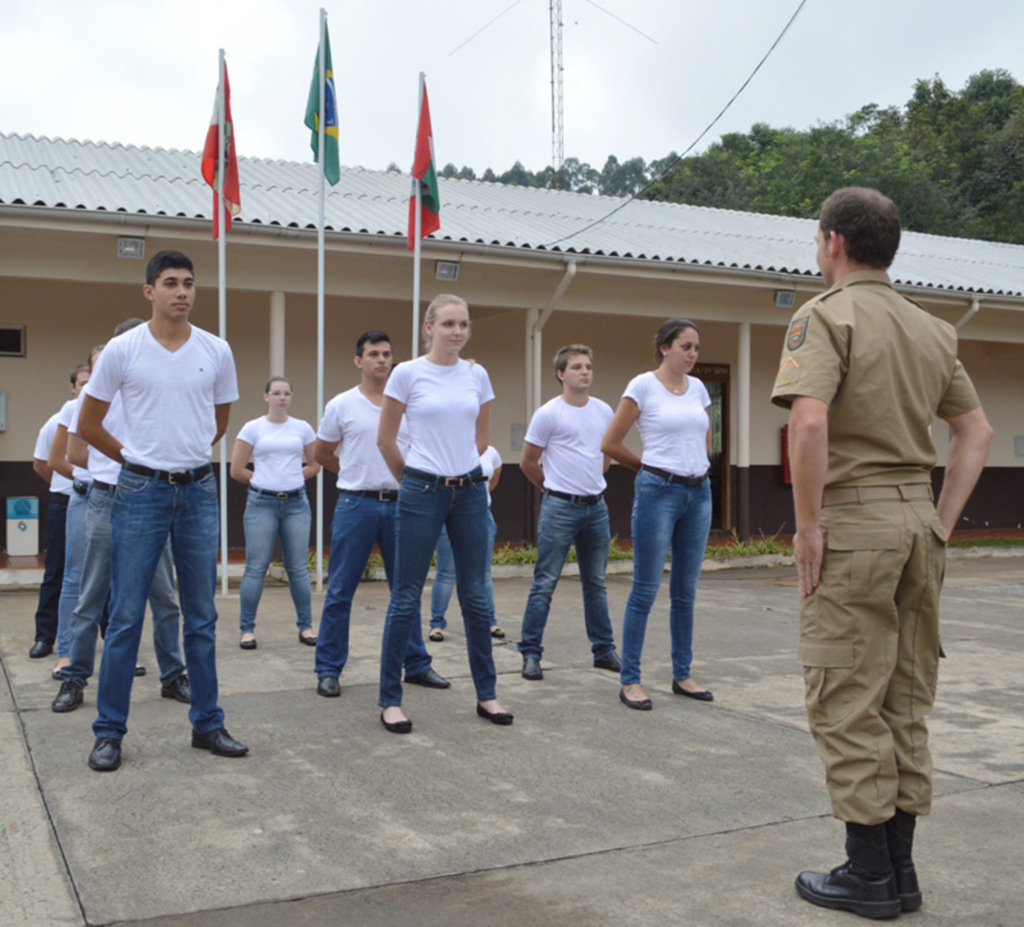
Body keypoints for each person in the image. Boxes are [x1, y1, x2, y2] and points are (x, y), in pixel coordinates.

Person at [771, 188, 992, 919]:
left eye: (817, 238)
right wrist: (939, 521)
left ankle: (866, 874)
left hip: (856, 521)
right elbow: (976, 432)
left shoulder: (825, 316)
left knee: (844, 693)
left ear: (833, 242)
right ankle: (900, 871)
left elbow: (808, 425)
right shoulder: (932, 330)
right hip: (914, 520)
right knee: (904, 694)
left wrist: (807, 526)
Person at [77, 249, 247, 772]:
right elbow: (88, 424)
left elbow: (217, 423)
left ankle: (208, 723)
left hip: (197, 491)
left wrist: (184, 456)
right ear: (149, 291)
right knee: (127, 615)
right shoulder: (124, 351)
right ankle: (108, 732)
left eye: (189, 283)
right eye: (170, 283)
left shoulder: (216, 350)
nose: (182, 292)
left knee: (201, 615)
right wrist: (135, 459)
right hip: (139, 493)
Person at [377, 295, 511, 733]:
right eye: (449, 323)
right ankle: (390, 700)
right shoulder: (407, 373)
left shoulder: (477, 374)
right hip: (421, 489)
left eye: (464, 324)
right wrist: (416, 481)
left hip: (469, 490)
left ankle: (487, 695)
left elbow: (481, 439)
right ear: (428, 327)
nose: (457, 331)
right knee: (406, 595)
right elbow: (386, 439)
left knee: (474, 596)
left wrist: (460, 474)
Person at [51, 320, 191, 714]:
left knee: (164, 594)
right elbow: (76, 453)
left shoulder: (156, 391)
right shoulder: (91, 397)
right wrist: (126, 461)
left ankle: (172, 674)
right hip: (107, 497)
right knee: (91, 593)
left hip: (152, 499)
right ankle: (75, 679)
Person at [312, 331, 448, 698]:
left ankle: (416, 664)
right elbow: (321, 453)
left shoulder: (408, 404)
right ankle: (328, 669)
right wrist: (354, 473)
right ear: (359, 361)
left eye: (387, 353)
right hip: (356, 504)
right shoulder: (341, 404)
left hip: (404, 503)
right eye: (373, 354)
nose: (382, 360)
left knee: (406, 589)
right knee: (341, 589)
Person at [601, 320, 713, 711]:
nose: (693, 354)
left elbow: (704, 435)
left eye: (696, 347)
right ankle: (630, 680)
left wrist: (698, 468)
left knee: (686, 590)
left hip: (699, 493)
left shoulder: (698, 389)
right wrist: (650, 471)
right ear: (665, 348)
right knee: (645, 589)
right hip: (658, 492)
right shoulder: (642, 386)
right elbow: (610, 442)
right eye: (686, 346)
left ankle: (682, 673)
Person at [517, 345, 621, 680]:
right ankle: (531, 653)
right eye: (576, 367)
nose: (585, 372)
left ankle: (603, 650)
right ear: (561, 374)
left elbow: (606, 454)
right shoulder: (548, 413)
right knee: (545, 582)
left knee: (596, 583)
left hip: (596, 507)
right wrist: (551, 488)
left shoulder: (604, 410)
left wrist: (593, 478)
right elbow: (528, 462)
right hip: (560, 506)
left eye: (588, 366)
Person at [230, 376, 320, 649]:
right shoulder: (253, 428)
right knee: (256, 567)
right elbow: (237, 469)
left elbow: (316, 464)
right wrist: (262, 481)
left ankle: (306, 627)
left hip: (296, 504)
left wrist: (294, 477)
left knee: (298, 568)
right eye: (276, 393)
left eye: (286, 393)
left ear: (291, 397)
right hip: (262, 504)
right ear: (266, 396)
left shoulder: (302, 428)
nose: (282, 398)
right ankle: (247, 630)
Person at [48, 349, 105, 680]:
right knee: (75, 577)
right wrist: (93, 476)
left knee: (121, 582)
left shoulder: (129, 401)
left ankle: (120, 653)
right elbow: (57, 459)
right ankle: (67, 653)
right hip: (86, 497)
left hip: (124, 497)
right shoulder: (74, 407)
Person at [28, 364, 89, 660]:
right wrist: (69, 485)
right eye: (82, 383)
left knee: (102, 575)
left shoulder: (104, 417)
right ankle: (45, 637)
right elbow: (42, 463)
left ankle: (104, 636)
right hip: (64, 503)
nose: (86, 388)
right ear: (72, 387)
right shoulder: (56, 421)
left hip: (99, 502)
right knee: (57, 572)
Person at [429, 444, 504, 642]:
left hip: (481, 515)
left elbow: (492, 481)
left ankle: (491, 621)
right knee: (446, 572)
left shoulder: (492, 452)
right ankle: (436, 624)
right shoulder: (450, 448)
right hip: (449, 514)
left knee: (484, 573)